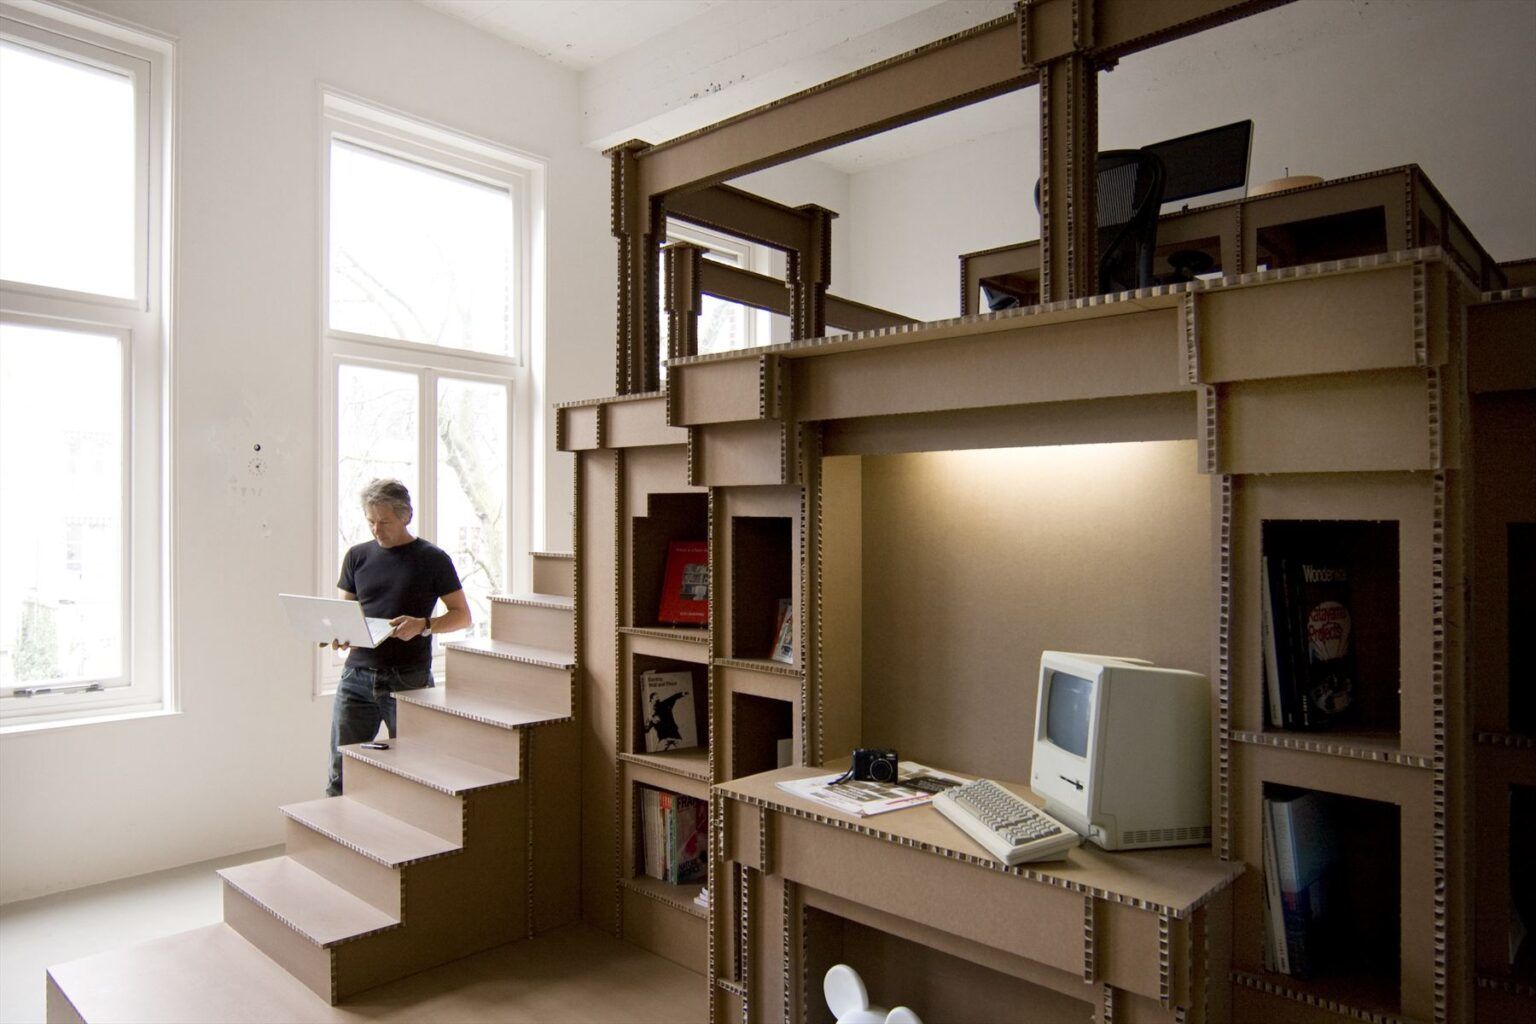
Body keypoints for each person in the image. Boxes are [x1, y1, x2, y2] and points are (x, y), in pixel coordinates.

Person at [326, 478, 470, 796]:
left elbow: (462, 616)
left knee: (420, 769)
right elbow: (344, 615)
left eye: (385, 522)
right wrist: (340, 635)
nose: (377, 530)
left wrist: (424, 624)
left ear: (406, 516)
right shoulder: (356, 556)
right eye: (371, 522)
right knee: (341, 771)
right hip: (356, 677)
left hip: (409, 679)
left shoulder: (433, 558)